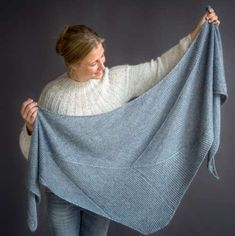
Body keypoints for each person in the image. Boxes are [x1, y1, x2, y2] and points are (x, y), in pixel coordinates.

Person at [19, 7, 220, 236]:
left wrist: (197, 33)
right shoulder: (52, 95)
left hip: (102, 190)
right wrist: (30, 129)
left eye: (103, 56)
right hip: (62, 194)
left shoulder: (116, 80)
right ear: (73, 64)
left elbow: (160, 67)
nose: (103, 66)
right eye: (93, 63)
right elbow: (33, 154)